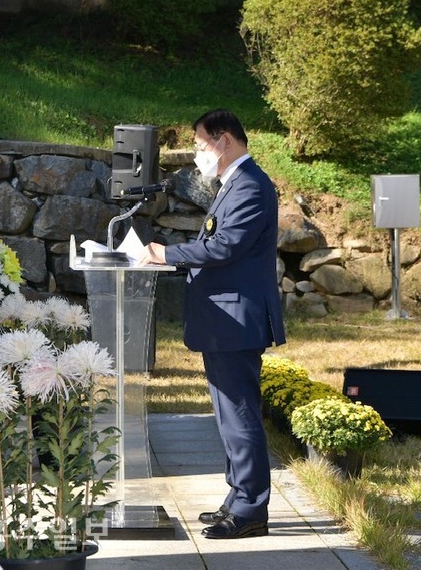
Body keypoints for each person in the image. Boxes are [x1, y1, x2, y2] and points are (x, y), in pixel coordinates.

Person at [141, 108, 286, 539]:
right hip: (225, 318)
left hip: (236, 319)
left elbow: (225, 247)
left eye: (202, 144)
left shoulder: (251, 186)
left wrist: (167, 254)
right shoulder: (235, 184)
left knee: (239, 415)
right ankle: (237, 498)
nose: (199, 153)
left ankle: (250, 511)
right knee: (229, 416)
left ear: (224, 140)